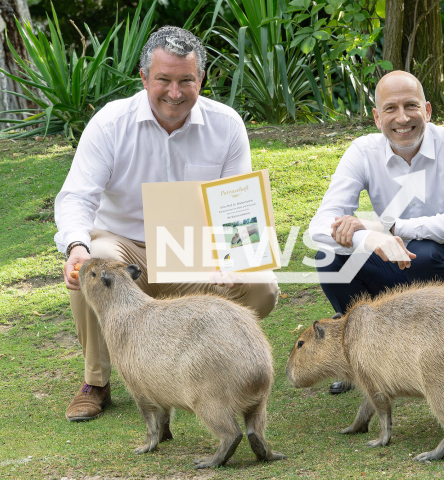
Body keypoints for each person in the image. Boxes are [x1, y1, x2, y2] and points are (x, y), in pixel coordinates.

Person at [55, 26, 279, 421]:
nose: (174, 93)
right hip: (125, 245)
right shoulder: (110, 124)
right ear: (144, 78)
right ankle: (97, 381)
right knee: (93, 262)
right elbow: (77, 196)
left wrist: (233, 258)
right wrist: (76, 245)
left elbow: (237, 206)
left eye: (186, 81)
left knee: (262, 287)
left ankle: (210, 364)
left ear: (201, 79)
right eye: (163, 80)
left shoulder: (226, 125)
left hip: (195, 250)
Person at [309, 71, 444, 394]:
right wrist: (370, 238)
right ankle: (365, 359)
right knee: (330, 257)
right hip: (398, 265)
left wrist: (388, 227)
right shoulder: (363, 152)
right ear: (377, 117)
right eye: (391, 109)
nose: (402, 118)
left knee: (428, 252)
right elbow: (320, 226)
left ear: (428, 111)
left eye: (411, 106)